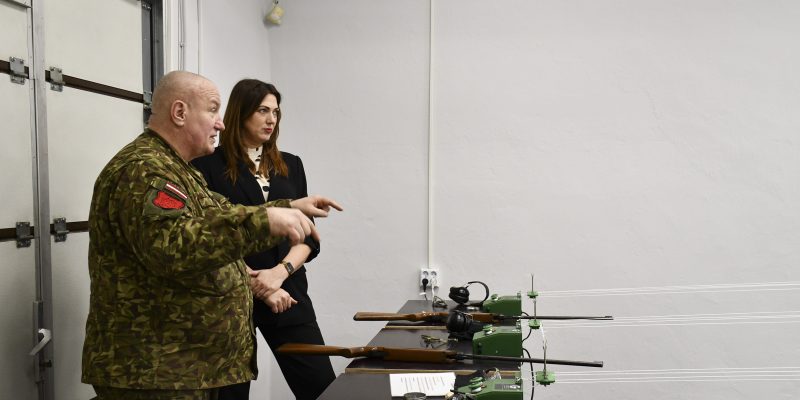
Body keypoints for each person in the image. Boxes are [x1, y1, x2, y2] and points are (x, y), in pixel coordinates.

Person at [81, 71, 342, 400]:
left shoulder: (177, 168)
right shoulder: (145, 169)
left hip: (181, 366)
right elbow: (173, 247)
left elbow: (220, 213)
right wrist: (265, 221)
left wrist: (286, 206)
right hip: (155, 369)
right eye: (213, 110)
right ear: (180, 113)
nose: (220, 123)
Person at [192, 79, 335, 400]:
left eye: (276, 112)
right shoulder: (206, 165)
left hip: (288, 293)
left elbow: (308, 235)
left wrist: (279, 274)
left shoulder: (291, 164)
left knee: (323, 388)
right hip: (231, 299)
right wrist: (258, 283)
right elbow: (208, 236)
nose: (271, 119)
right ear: (240, 113)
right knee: (229, 394)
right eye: (262, 111)